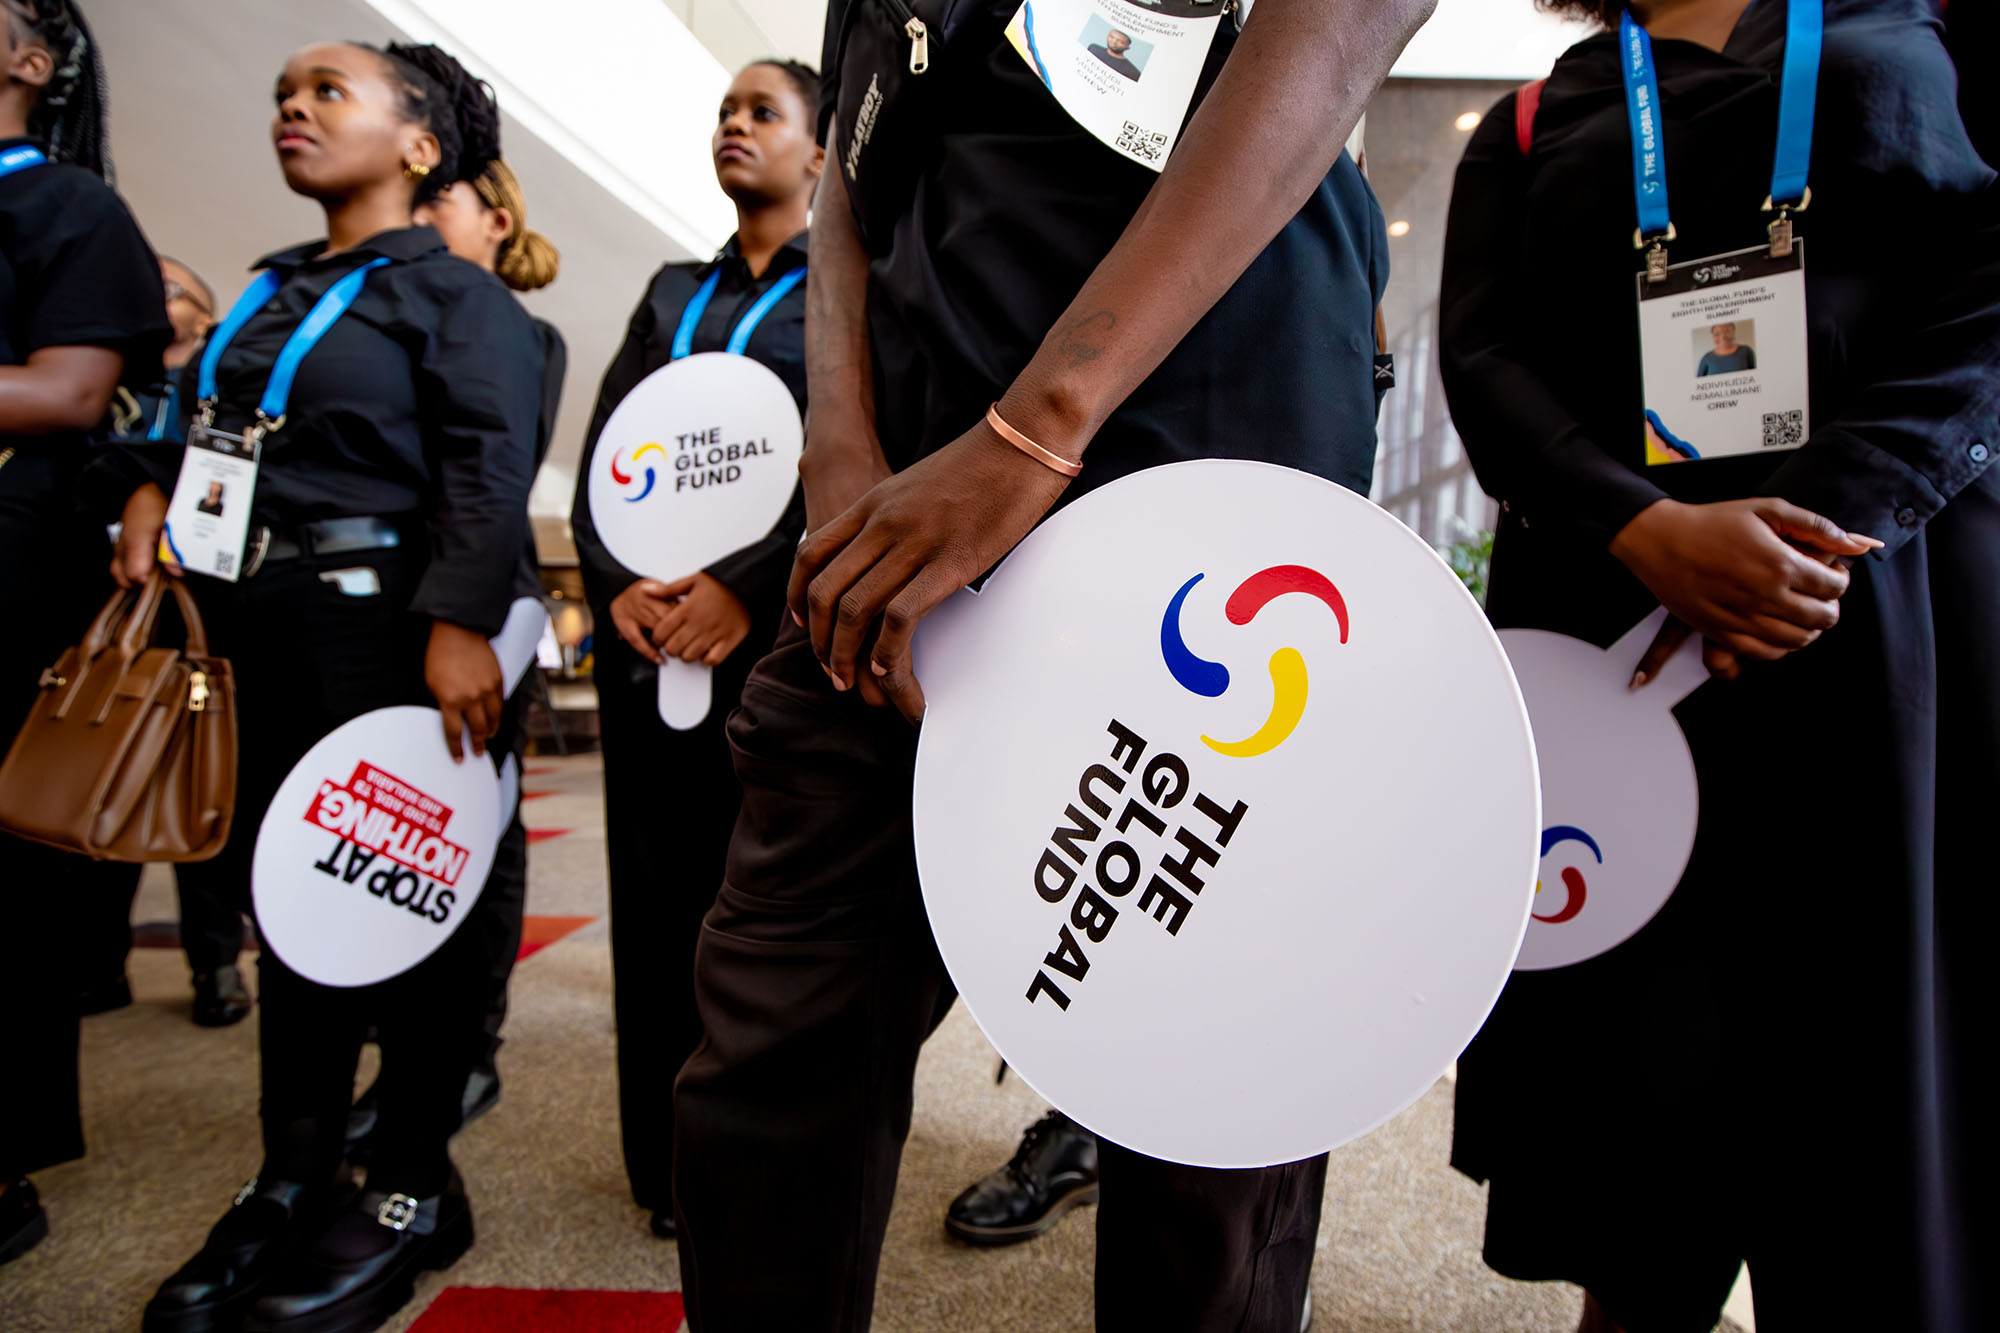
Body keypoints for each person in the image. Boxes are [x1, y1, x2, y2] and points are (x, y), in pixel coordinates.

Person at [669, 0, 1417, 1328]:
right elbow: (851, 166)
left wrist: (1036, 430)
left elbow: (1348, 21)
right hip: (897, 471)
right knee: (778, 1033)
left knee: (1208, 1066)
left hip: (1206, 425)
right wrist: (839, 451)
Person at [1438, 2, 1997, 1330]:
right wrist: (1648, 529)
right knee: (1645, 1115)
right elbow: (1483, 351)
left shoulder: (1921, 20)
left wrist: (1809, 530)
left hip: (1879, 609)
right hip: (1625, 634)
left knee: (1878, 1102)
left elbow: (1984, 285)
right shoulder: (1540, 111)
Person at [100, 39, 543, 1333]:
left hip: (398, 637)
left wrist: (460, 619)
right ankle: (294, 1170)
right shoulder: (264, 291)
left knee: (418, 902)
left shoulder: (459, 298)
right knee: (287, 901)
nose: (293, 108)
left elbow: (489, 461)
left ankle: (410, 1184)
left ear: (419, 147)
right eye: (283, 93)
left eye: (327, 91)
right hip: (257, 630)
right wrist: (138, 480)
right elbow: (188, 428)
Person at [566, 57, 815, 1242]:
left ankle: (747, 1153)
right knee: (652, 894)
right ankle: (660, 1167)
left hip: (769, 641)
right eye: (726, 111)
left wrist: (743, 591)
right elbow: (610, 451)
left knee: (752, 905)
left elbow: (850, 464)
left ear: (820, 155)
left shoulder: (846, 295)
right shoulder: (672, 292)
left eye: (763, 112)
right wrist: (614, 586)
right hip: (645, 638)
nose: (736, 126)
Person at [343, 155, 565, 1158]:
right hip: (393, 606)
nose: (422, 216)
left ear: (496, 217)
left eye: (443, 200)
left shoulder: (520, 329)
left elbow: (487, 469)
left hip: (479, 607)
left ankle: (466, 1041)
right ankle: (397, 1042)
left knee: (478, 823)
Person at [0, 0, 170, 1268]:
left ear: (29, 59)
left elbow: (66, 392)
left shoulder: (65, 208)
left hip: (12, 560)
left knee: (6, 866)